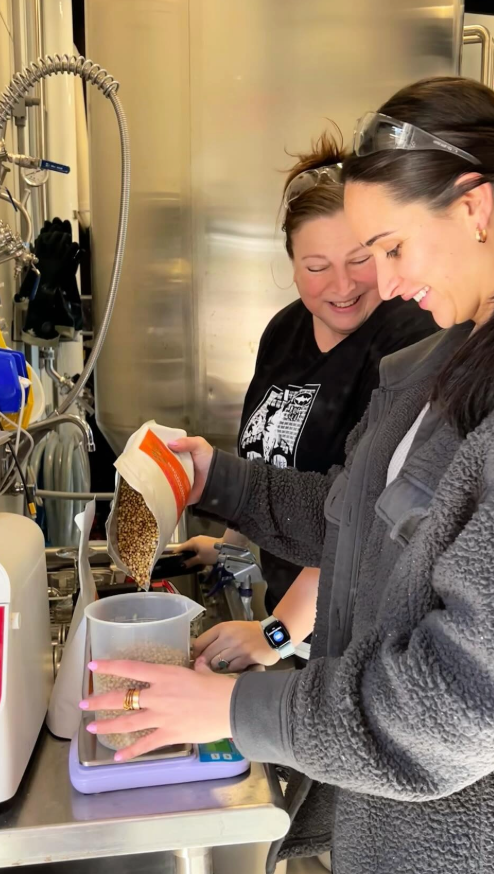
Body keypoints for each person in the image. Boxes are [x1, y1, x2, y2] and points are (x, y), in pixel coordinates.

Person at [85, 76, 494, 874]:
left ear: (472, 208)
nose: (382, 284)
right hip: (376, 847)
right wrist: (218, 480)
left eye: (389, 248)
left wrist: (237, 712)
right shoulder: (445, 363)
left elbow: (462, 701)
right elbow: (355, 524)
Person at [170, 131, 437, 672]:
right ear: (292, 265)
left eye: (360, 260)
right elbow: (269, 454)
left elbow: (359, 514)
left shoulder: (408, 342)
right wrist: (231, 545)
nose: (341, 285)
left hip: (354, 643)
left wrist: (276, 633)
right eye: (317, 267)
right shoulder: (284, 332)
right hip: (295, 631)